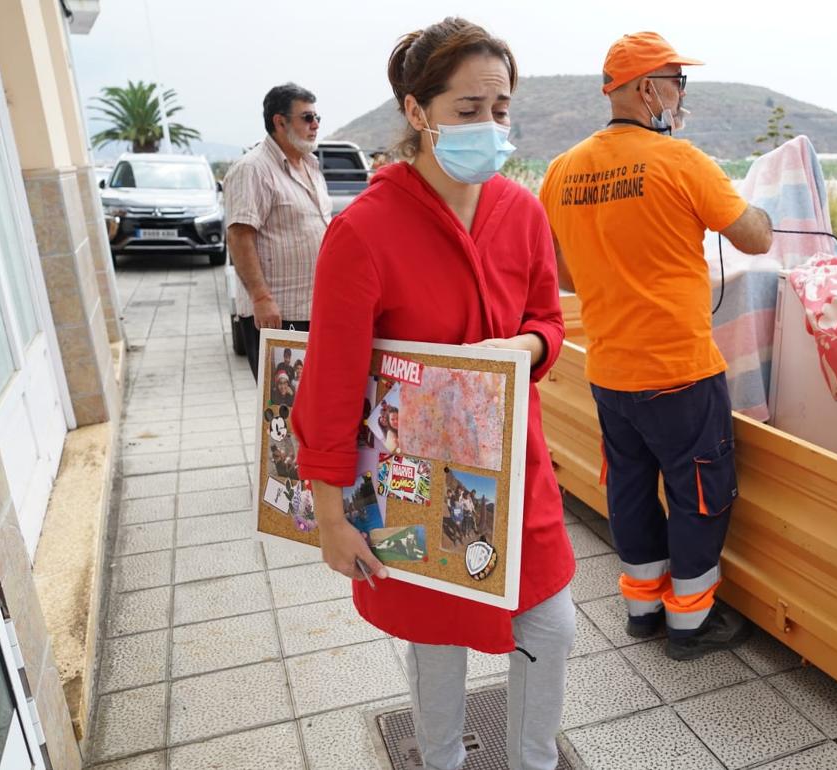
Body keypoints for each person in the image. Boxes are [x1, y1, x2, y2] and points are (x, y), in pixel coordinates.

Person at [290, 18, 574, 770]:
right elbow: (331, 383)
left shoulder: (522, 210)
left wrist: (527, 345)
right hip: (417, 480)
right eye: (469, 110)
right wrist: (327, 515)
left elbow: (548, 317)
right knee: (436, 644)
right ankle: (441, 759)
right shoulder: (363, 232)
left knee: (550, 627)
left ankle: (534, 762)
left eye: (502, 108)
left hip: (519, 469)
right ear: (417, 112)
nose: (490, 125)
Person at [538, 31, 774, 662]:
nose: (681, 95)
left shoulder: (561, 172)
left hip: (611, 374)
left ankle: (643, 609)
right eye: (678, 82)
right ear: (648, 89)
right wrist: (758, 210)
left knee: (632, 488)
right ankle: (692, 624)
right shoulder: (682, 161)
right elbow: (754, 239)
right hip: (678, 371)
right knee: (700, 491)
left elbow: (560, 277)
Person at [224, 82, 332, 379]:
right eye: (307, 118)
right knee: (282, 411)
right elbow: (239, 236)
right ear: (280, 122)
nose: (315, 125)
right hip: (277, 315)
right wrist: (261, 298)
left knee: (312, 404)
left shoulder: (310, 164)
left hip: (314, 309)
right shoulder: (253, 169)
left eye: (317, 118)